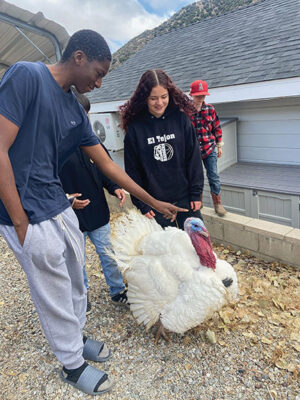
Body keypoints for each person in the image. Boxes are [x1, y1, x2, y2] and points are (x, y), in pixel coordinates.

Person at [0, 30, 186, 396]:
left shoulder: (73, 108)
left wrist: (152, 200)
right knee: (51, 290)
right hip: (27, 214)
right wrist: (18, 219)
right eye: (98, 73)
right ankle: (71, 364)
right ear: (79, 57)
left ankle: (74, 335)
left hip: (58, 204)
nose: (99, 83)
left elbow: (106, 164)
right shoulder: (27, 75)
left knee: (73, 282)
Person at [59, 93, 128, 313]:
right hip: (71, 218)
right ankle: (82, 296)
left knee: (108, 254)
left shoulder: (93, 141)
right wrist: (67, 201)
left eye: (86, 116)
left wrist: (114, 186)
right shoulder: (54, 145)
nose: (83, 122)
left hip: (98, 211)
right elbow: (46, 183)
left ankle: (117, 291)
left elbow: (104, 168)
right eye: (80, 116)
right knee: (77, 262)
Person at [119, 69, 204, 230]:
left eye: (164, 97)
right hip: (155, 204)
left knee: (196, 248)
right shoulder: (135, 129)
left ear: (170, 95)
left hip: (186, 200)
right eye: (153, 98)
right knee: (166, 253)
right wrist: (143, 204)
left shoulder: (181, 119)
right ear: (144, 98)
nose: (159, 103)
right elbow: (133, 171)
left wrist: (196, 192)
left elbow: (193, 159)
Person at [189, 79, 227, 216]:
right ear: (191, 94)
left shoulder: (210, 109)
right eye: (198, 95)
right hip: (193, 151)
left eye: (203, 95)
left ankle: (218, 204)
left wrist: (219, 146)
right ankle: (198, 201)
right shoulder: (185, 111)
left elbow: (216, 127)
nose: (200, 98)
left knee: (213, 176)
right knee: (196, 177)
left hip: (209, 147)